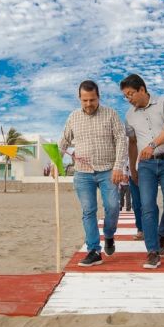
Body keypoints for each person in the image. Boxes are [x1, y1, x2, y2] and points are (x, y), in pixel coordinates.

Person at [59, 80, 128, 267]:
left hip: (108, 171)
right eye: (85, 100)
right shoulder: (73, 117)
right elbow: (63, 142)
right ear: (79, 98)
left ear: (99, 97)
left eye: (92, 100)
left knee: (113, 207)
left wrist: (118, 167)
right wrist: (54, 163)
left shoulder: (111, 114)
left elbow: (122, 140)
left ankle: (110, 235)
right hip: (83, 173)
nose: (89, 104)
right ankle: (93, 250)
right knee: (88, 211)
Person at [120, 73, 164, 270]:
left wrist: (152, 145)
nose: (128, 99)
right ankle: (152, 251)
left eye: (130, 94)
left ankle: (162, 234)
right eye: (125, 96)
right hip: (145, 166)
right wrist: (132, 168)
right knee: (148, 207)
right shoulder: (129, 115)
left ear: (142, 90)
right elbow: (133, 142)